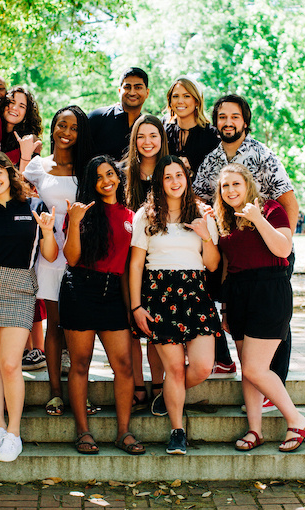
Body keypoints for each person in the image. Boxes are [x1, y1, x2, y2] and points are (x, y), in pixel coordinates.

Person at [193, 94, 298, 398]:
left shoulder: (262, 154)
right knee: (229, 308)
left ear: (245, 121)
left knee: (274, 321)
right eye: (222, 117)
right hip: (232, 250)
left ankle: (274, 384)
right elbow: (198, 196)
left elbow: (288, 199)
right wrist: (207, 213)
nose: (228, 122)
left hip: (270, 249)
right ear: (216, 122)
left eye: (234, 117)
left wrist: (284, 242)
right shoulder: (212, 159)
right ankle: (227, 363)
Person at [0, 151, 57, 462]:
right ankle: (0, 427)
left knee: (10, 365)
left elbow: (51, 255)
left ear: (9, 171)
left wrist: (45, 231)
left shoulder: (33, 205)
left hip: (19, 287)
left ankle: (14, 433)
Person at [129, 154, 222, 455]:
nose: (174, 182)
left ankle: (170, 392)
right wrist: (135, 307)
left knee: (202, 367)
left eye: (178, 175)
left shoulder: (203, 215)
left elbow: (212, 265)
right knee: (175, 371)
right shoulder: (146, 215)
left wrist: (206, 237)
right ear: (159, 181)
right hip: (159, 295)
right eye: (167, 177)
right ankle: (177, 431)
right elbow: (135, 265)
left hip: (196, 294)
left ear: (187, 177)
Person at [214, 163, 305, 452]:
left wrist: (257, 218)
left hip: (270, 290)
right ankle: (255, 430)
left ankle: (297, 420)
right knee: (248, 368)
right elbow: (229, 267)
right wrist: (227, 309)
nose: (231, 190)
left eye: (236, 184)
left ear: (247, 184)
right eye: (225, 186)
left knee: (256, 368)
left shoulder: (269, 209)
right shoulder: (225, 220)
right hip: (240, 293)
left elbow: (283, 249)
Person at [60, 155, 145, 455]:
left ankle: (124, 432)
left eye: (110, 173)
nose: (106, 180)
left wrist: (130, 307)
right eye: (98, 176)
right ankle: (83, 431)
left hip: (113, 294)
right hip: (80, 289)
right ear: (90, 183)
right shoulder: (81, 211)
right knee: (80, 364)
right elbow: (71, 258)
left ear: (119, 177)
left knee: (123, 366)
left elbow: (127, 266)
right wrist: (74, 222)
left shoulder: (132, 216)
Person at [20, 105, 94, 416]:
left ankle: (81, 391)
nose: (66, 132)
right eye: (61, 125)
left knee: (78, 324)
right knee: (54, 325)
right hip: (50, 254)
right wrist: (24, 155)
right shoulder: (37, 166)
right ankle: (54, 392)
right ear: (52, 129)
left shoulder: (89, 167)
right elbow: (17, 192)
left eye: (74, 127)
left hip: (82, 254)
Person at [123, 115, 169, 414]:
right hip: (127, 257)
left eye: (153, 135)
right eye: (141, 136)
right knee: (130, 323)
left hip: (160, 260)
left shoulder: (172, 170)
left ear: (162, 138)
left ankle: (159, 386)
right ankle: (138, 385)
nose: (147, 141)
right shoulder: (124, 174)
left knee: (154, 328)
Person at [161, 76, 220, 179]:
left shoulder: (211, 135)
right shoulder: (162, 130)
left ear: (196, 101)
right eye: (175, 96)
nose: (180, 101)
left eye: (186, 96)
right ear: (170, 101)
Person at [88, 67, 150, 161]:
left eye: (138, 87)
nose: (132, 92)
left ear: (147, 93)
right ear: (119, 91)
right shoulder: (98, 118)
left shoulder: (147, 126)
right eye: (127, 87)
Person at [0, 86, 43, 165]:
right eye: (12, 102)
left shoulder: (29, 141)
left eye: (22, 106)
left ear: (26, 114)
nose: (15, 108)